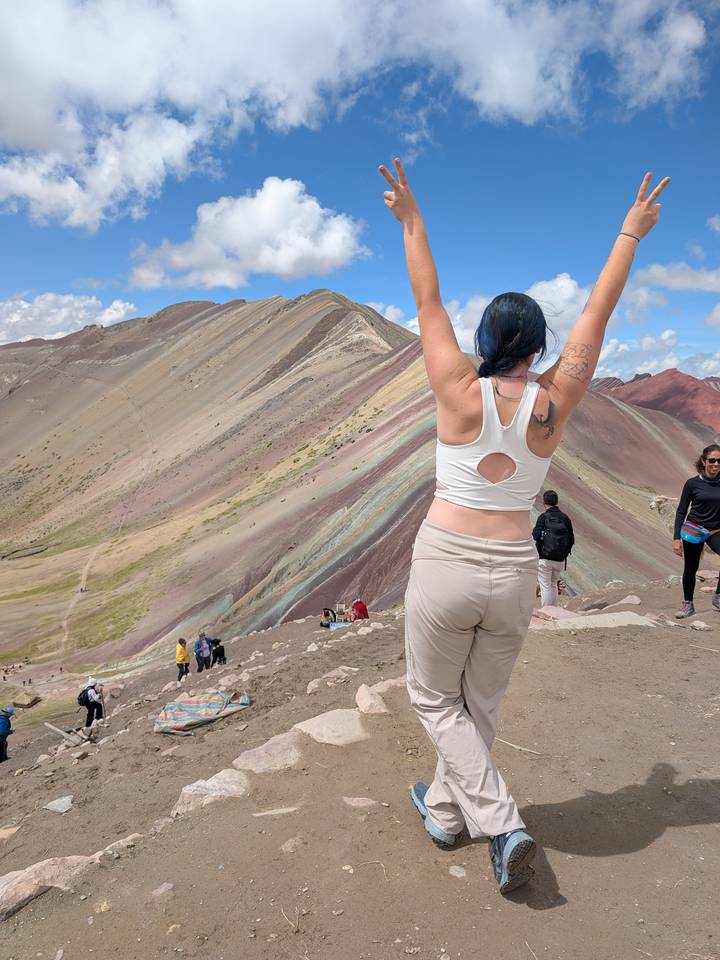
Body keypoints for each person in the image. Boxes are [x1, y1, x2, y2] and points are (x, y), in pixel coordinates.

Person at [380, 157, 669, 895]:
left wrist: (413, 222)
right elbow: (598, 318)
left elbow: (427, 298)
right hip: (513, 567)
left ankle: (501, 824)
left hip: (446, 557)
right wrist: (629, 235)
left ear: (487, 339)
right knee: (477, 705)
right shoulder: (557, 399)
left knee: (434, 700)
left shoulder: (455, 388)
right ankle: (446, 812)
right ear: (540, 346)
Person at [673, 443, 720, 618]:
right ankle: (688, 605)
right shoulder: (692, 484)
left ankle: (718, 596)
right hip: (694, 530)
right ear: (704, 460)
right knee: (690, 569)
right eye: (712, 460)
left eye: (719, 461)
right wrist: (676, 538)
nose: (716, 464)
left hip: (716, 530)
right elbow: (681, 511)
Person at [532, 490, 575, 607]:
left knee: (545, 586)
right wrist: (563, 553)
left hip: (545, 559)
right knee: (553, 584)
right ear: (556, 502)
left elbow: (535, 535)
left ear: (544, 502)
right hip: (560, 560)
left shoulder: (543, 517)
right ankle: (554, 611)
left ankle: (546, 611)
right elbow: (572, 540)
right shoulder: (565, 518)